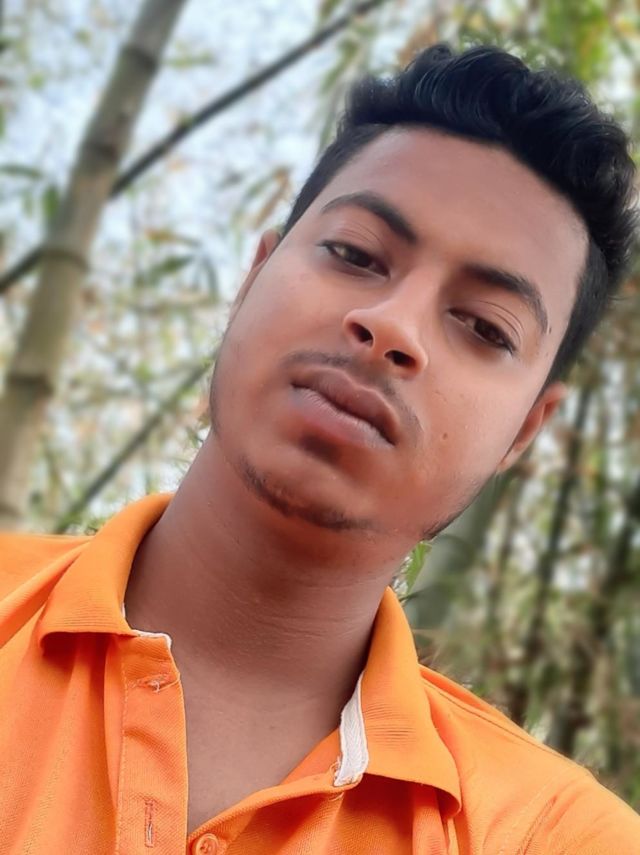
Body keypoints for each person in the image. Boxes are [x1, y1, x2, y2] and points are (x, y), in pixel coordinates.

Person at [0, 42, 638, 855]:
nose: (393, 325)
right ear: (253, 278)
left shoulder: (554, 836)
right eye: (356, 255)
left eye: (484, 326)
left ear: (523, 430)